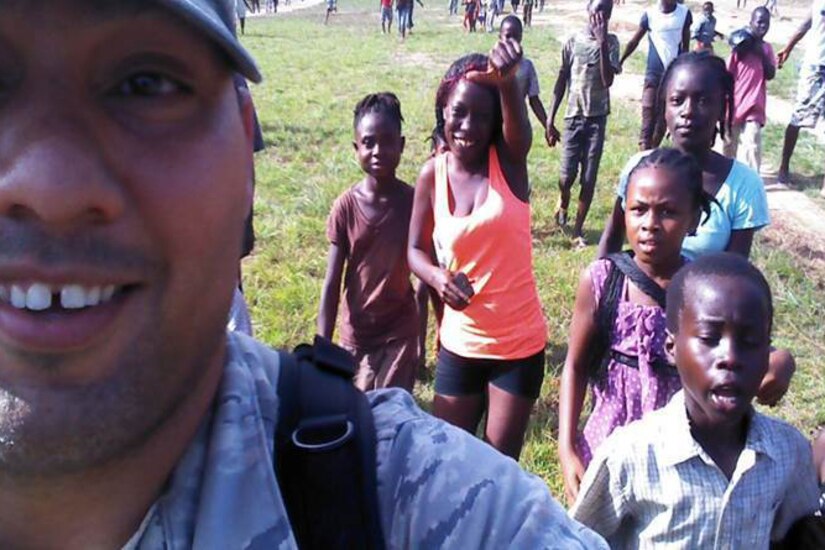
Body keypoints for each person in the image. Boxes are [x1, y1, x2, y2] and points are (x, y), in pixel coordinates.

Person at [0, 2, 614, 548]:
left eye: (145, 83)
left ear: (245, 151)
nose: (51, 187)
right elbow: (395, 257)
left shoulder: (379, 483)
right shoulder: (407, 184)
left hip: (500, 342)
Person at [571, 253, 823, 547]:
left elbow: (797, 533)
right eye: (709, 338)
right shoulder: (628, 458)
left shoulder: (788, 453)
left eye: (750, 342)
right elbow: (577, 540)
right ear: (671, 347)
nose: (730, 358)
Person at [598, 52, 795, 407]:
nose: (689, 110)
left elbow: (733, 279)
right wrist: (599, 306)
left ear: (723, 107)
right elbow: (610, 244)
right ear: (664, 108)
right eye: (678, 100)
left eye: (704, 100)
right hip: (633, 323)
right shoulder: (639, 170)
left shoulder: (742, 185)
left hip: (699, 333)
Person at [408, 45, 548, 461]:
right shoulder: (432, 174)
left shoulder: (508, 162)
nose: (468, 126)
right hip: (460, 343)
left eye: (482, 116)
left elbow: (520, 131)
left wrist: (506, 83)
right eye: (458, 113)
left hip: (518, 346)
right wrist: (437, 278)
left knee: (499, 468)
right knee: (448, 459)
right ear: (443, 112)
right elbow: (414, 249)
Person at [558, 148, 708, 505]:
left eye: (669, 212)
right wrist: (567, 447)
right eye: (639, 209)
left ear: (694, 218)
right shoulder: (602, 280)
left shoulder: (702, 290)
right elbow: (575, 366)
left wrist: (779, 362)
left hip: (675, 455)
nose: (650, 223)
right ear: (624, 210)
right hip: (605, 447)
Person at [318, 93, 426, 392]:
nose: (378, 150)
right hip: (357, 335)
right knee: (357, 409)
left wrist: (422, 341)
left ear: (402, 146)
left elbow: (426, 273)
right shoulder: (345, 208)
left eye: (388, 141)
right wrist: (322, 350)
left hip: (399, 331)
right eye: (368, 142)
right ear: (356, 148)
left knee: (392, 409)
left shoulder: (414, 202)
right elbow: (331, 283)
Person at [546, 0, 620, 249]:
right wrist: (549, 118)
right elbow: (561, 79)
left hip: (597, 118)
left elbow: (607, 79)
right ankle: (564, 202)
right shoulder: (572, 41)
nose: (600, 16)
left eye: (606, 12)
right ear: (588, 11)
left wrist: (601, 43)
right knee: (566, 177)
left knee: (588, 179)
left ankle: (577, 228)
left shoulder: (611, 43)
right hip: (573, 117)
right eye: (597, 10)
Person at [620, 0, 692, 150]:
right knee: (648, 115)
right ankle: (643, 155)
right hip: (653, 75)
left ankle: (652, 153)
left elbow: (685, 47)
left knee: (662, 121)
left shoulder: (684, 14)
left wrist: (686, 73)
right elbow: (635, 41)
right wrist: (621, 61)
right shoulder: (650, 15)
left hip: (673, 77)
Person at [776, 0, 825, 192]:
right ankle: (784, 166)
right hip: (814, 66)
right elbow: (805, 25)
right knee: (798, 116)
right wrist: (788, 47)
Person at [724, 7, 776, 173]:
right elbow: (727, 73)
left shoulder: (767, 49)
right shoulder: (740, 47)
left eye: (766, 23)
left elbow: (770, 74)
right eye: (759, 22)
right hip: (734, 104)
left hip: (755, 105)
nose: (763, 26)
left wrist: (761, 53)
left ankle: (753, 179)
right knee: (728, 143)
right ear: (751, 23)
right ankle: (727, 175)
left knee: (752, 145)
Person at [499, 17, 552, 149]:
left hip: (517, 125)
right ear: (499, 36)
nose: (512, 41)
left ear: (521, 38)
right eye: (507, 36)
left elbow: (534, 100)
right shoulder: (489, 64)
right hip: (493, 123)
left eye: (516, 37)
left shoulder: (527, 67)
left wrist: (547, 125)